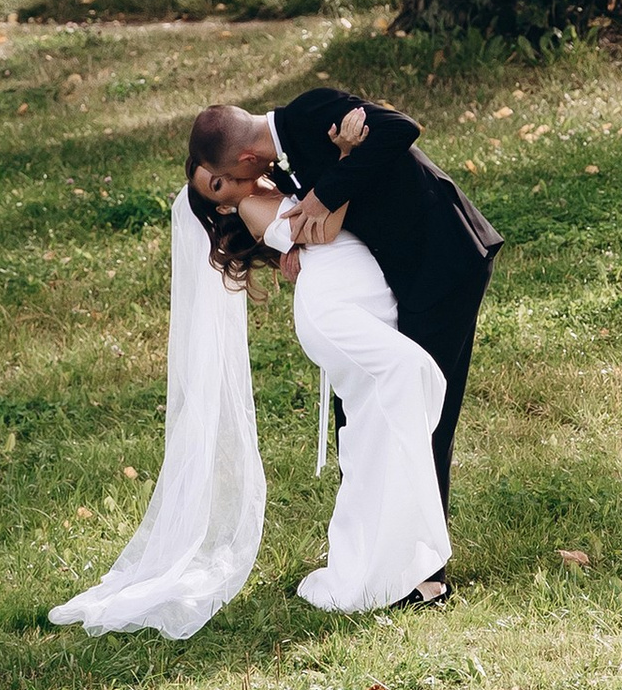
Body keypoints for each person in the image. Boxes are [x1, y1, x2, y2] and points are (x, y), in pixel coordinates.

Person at [188, 90, 501, 529]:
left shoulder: (310, 111)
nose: (235, 188)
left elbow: (401, 127)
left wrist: (325, 192)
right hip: (394, 280)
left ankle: (426, 567)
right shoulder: (271, 174)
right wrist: (299, 233)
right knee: (369, 413)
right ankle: (372, 531)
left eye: (222, 177)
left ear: (244, 158)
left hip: (441, 256)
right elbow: (311, 219)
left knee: (426, 407)